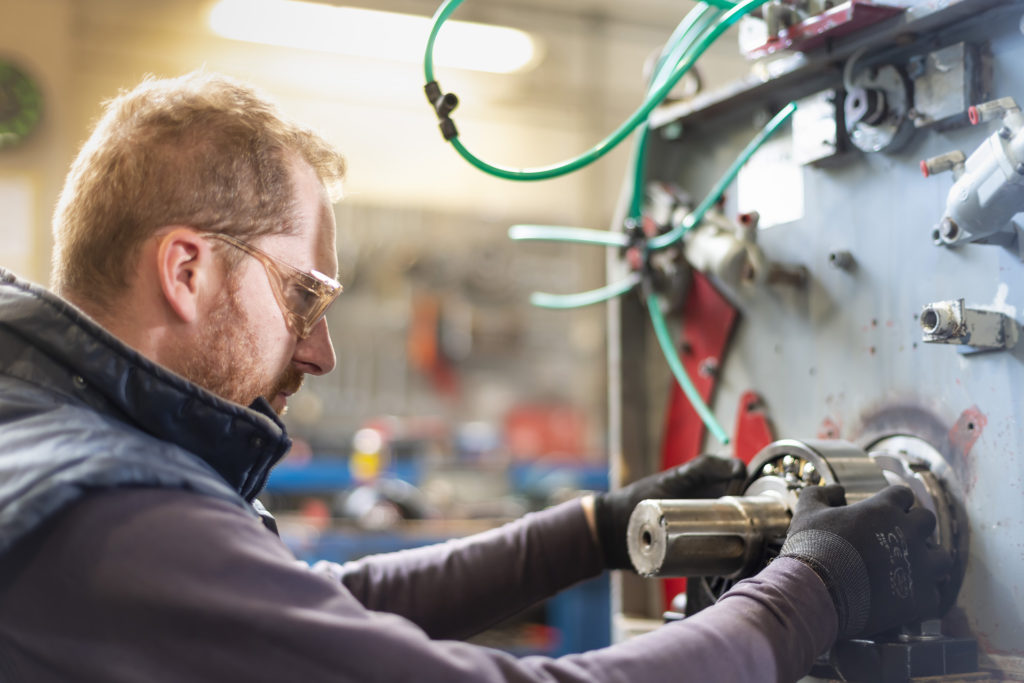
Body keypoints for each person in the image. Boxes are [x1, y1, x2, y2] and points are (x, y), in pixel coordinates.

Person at [0, 70, 952, 683]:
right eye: (302, 297)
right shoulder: (107, 512)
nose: (319, 350)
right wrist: (810, 591)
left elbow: (327, 609)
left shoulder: (54, 450)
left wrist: (595, 529)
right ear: (187, 270)